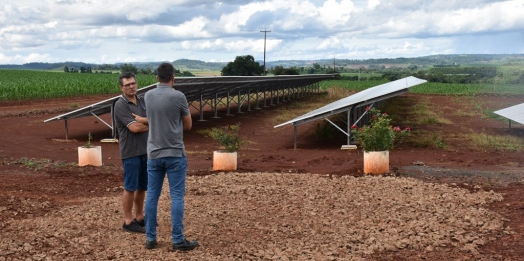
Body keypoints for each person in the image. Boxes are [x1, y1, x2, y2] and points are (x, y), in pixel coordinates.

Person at [144, 63, 198, 251]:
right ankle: (177, 240)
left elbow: (150, 119)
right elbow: (188, 125)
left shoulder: (148, 96)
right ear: (173, 77)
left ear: (157, 77)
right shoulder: (179, 96)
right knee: (176, 197)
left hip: (154, 153)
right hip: (175, 153)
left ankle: (150, 238)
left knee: (151, 196)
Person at [114, 72, 149, 234]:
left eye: (133, 83)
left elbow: (152, 118)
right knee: (130, 187)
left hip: (145, 150)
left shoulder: (142, 100)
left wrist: (145, 121)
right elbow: (134, 128)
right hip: (131, 152)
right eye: (127, 85)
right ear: (121, 87)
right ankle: (128, 221)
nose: (131, 86)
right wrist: (153, 123)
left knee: (142, 186)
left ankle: (140, 217)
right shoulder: (120, 105)